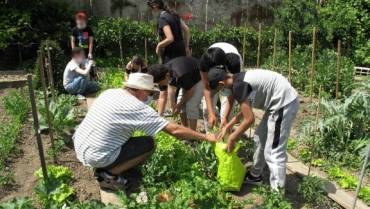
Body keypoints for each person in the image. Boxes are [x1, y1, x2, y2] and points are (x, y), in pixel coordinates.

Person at [73, 73, 217, 191]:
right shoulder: (135, 106)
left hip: (80, 143)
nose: (150, 97)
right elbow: (174, 130)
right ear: (140, 90)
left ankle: (108, 165)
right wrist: (205, 136)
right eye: (149, 93)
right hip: (96, 155)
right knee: (149, 144)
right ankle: (109, 175)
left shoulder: (110, 92)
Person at [207, 67, 299, 190]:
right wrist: (227, 123)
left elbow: (250, 119)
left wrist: (232, 138)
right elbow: (244, 110)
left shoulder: (238, 85)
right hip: (274, 104)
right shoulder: (236, 80)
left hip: (284, 103)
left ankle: (277, 197)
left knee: (274, 152)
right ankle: (255, 176)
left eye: (220, 90)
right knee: (259, 137)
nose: (222, 92)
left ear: (221, 84)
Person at [148, 56, 203, 130]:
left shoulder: (180, 74)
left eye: (160, 83)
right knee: (181, 104)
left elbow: (190, 91)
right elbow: (163, 97)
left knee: (191, 105)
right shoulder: (161, 74)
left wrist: (179, 105)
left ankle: (192, 136)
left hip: (198, 76)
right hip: (186, 78)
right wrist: (160, 116)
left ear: (167, 76)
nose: (160, 86)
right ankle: (185, 130)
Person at [200, 42, 243, 131]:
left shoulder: (233, 63)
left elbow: (231, 94)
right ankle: (210, 135)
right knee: (206, 109)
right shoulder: (204, 63)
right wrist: (211, 113)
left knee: (226, 112)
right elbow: (207, 88)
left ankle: (226, 136)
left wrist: (225, 117)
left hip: (231, 61)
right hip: (214, 56)